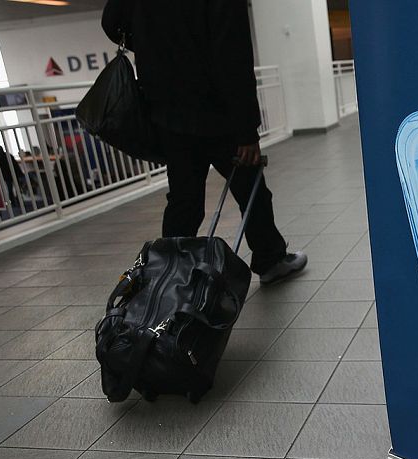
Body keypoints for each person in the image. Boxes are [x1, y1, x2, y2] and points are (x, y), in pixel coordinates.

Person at [101, 0, 307, 284]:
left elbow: (111, 22)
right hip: (217, 110)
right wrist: (247, 131)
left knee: (184, 201)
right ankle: (270, 259)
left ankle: (168, 276)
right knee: (251, 188)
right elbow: (233, 53)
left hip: (166, 109)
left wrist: (156, 47)